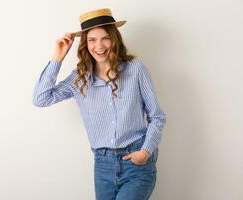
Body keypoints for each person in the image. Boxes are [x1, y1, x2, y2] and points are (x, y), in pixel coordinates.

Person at [33, 8, 166, 200]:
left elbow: (157, 116)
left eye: (105, 38)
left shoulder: (135, 69)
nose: (99, 45)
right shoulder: (79, 78)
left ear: (114, 39)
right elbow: (41, 98)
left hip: (136, 164)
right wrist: (57, 58)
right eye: (92, 40)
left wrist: (145, 152)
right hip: (103, 166)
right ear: (85, 44)